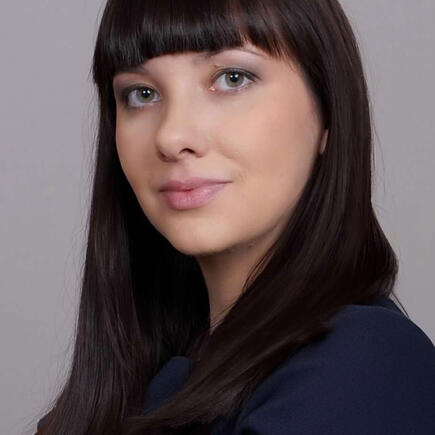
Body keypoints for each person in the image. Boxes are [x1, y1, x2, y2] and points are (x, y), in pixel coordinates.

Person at [36, 0, 435, 434]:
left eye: (232, 78)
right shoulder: (155, 382)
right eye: (142, 94)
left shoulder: (363, 368)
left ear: (328, 111)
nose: (171, 136)